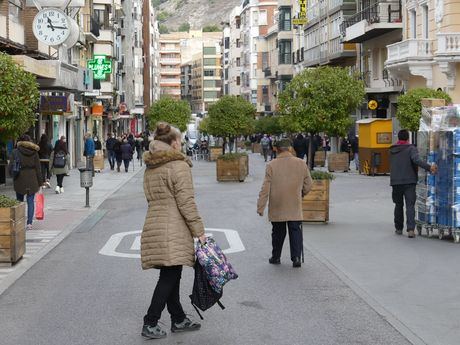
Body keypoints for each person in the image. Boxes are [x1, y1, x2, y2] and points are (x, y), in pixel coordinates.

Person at [141, 122, 205, 339]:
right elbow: (186, 202)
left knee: (172, 273)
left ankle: (177, 318)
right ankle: (150, 321)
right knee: (169, 276)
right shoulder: (179, 166)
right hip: (173, 226)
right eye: (180, 140)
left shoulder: (152, 165)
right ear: (174, 142)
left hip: (155, 222)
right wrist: (199, 231)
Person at [257, 138, 313, 267]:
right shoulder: (301, 163)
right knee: (295, 230)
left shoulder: (271, 165)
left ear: (277, 149)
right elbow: (309, 184)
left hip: (277, 204)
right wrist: (301, 193)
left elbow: (265, 188)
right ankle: (296, 258)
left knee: (277, 232)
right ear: (290, 149)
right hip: (294, 203)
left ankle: (276, 256)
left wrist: (261, 207)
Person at [390, 129, 437, 238]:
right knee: (410, 205)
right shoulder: (411, 149)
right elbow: (416, 160)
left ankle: (398, 228)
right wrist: (429, 167)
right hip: (409, 181)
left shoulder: (392, 150)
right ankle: (410, 229)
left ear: (398, 138)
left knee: (398, 205)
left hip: (395, 181)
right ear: (407, 138)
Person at [9, 135, 42, 230]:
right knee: (30, 201)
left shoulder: (15, 152)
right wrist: (40, 183)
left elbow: (10, 167)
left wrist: (12, 176)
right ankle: (29, 223)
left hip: (19, 178)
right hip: (32, 179)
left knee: (19, 201)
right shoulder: (34, 152)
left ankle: (19, 221)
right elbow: (38, 169)